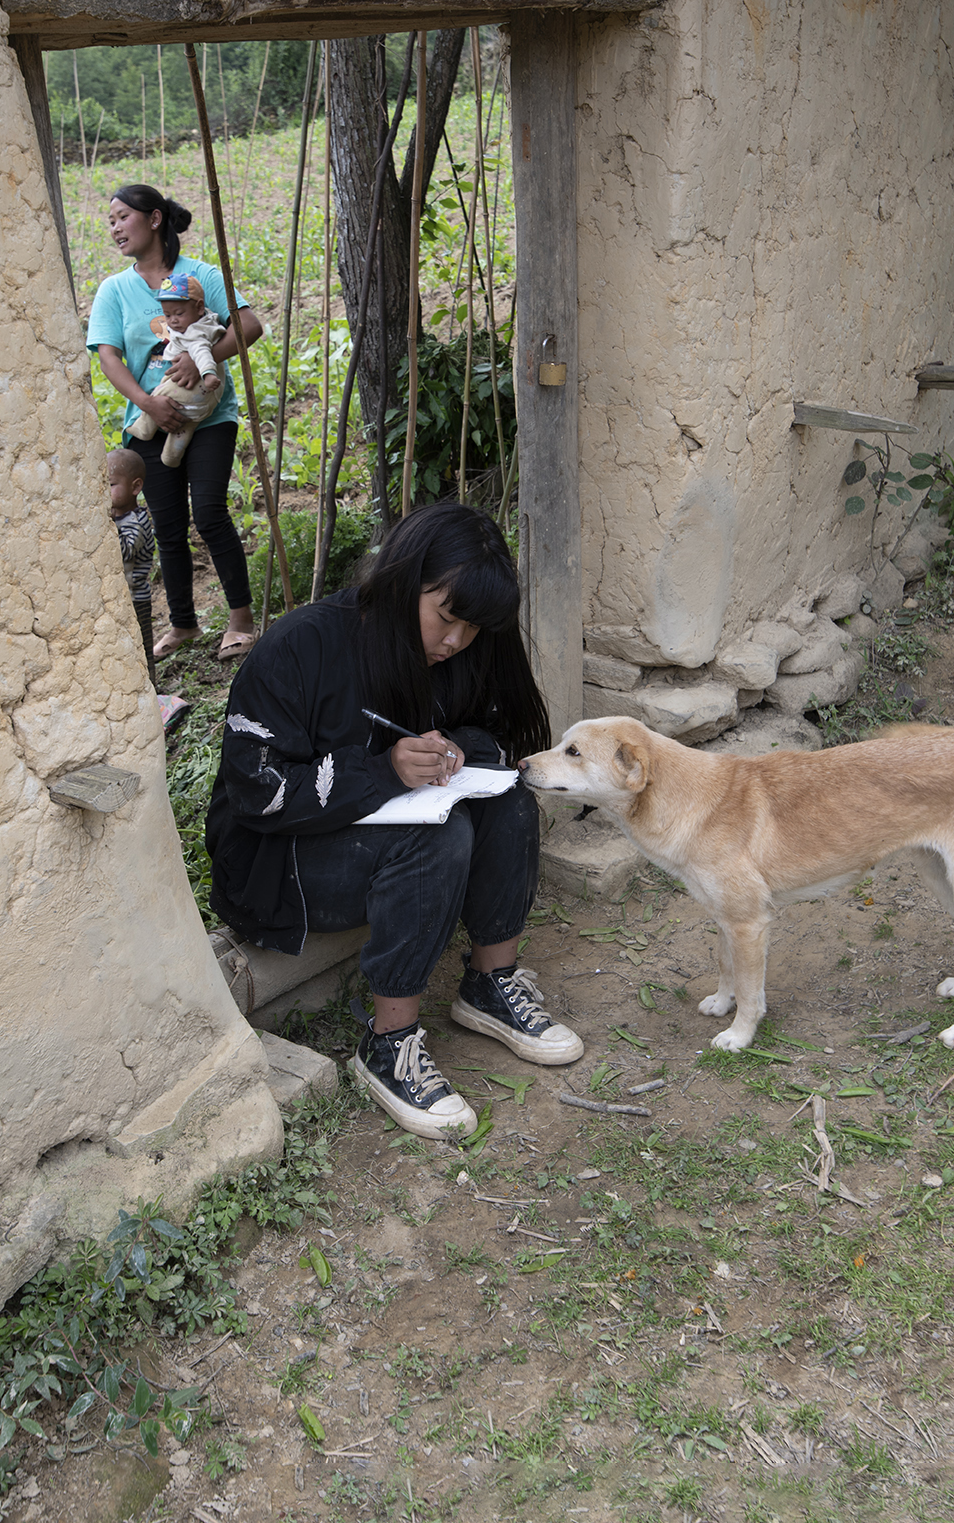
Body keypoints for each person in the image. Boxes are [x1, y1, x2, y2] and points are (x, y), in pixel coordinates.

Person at [204, 503, 585, 1141]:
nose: (457, 642)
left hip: (372, 840)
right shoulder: (301, 646)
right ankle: (390, 1045)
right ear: (406, 580)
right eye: (448, 617)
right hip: (280, 865)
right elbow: (259, 796)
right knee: (439, 835)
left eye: (472, 629)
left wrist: (460, 747)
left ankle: (490, 984)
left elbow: (503, 731)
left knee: (509, 800)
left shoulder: (465, 647)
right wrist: (381, 771)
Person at [87, 183, 265, 663]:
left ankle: (241, 620)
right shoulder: (114, 290)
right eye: (112, 221)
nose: (116, 228)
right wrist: (147, 402)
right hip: (149, 417)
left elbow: (248, 326)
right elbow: (107, 357)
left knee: (208, 512)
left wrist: (200, 363)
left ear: (155, 219)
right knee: (167, 526)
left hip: (207, 417)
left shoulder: (200, 274)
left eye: (123, 217)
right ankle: (183, 622)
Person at [128, 273, 224, 469]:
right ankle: (172, 456)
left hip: (194, 390)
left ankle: (144, 427)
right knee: (184, 427)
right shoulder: (199, 324)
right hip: (203, 405)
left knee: (161, 392)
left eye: (179, 314)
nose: (173, 321)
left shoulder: (195, 332)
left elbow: (202, 352)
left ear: (198, 307)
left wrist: (207, 374)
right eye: (168, 315)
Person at [108, 445, 157, 685]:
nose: (104, 492)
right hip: (123, 597)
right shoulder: (119, 518)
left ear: (135, 487)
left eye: (110, 485)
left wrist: (106, 529)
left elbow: (124, 552)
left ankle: (151, 688)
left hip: (136, 599)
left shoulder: (136, 522)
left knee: (143, 649)